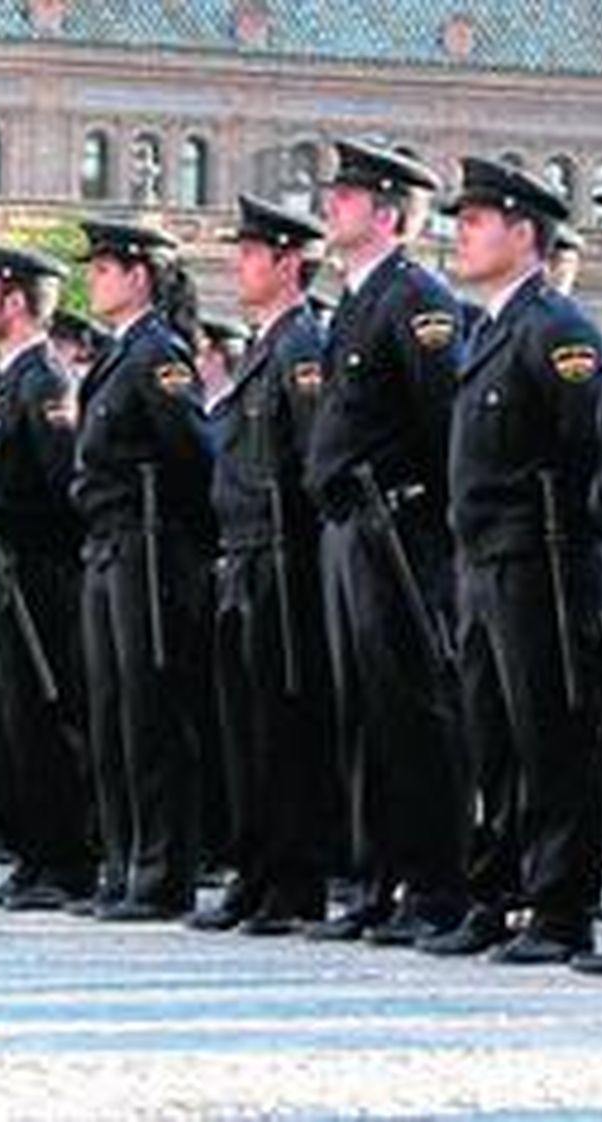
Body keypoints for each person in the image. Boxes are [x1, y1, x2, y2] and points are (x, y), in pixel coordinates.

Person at [415, 158, 602, 965]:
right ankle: (494, 895)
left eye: (477, 219)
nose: (460, 232)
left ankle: (558, 907)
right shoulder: (491, 328)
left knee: (550, 734)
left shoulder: (555, 328)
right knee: (490, 736)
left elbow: (585, 446)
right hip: (482, 560)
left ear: (523, 232)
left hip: (541, 561)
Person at [304, 138, 470, 946]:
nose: (330, 205)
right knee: (363, 713)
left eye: (347, 196)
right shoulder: (356, 302)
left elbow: (446, 429)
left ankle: (433, 887)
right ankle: (378, 882)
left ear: (387, 213)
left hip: (399, 529)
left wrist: (434, 532)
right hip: (350, 530)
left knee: (412, 712)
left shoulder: (416, 301)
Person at [193, 194, 332, 935]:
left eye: (250, 252)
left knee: (284, 725)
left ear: (287, 263)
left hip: (284, 555)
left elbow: (313, 459)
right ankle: (254, 871)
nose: (236, 265)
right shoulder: (266, 345)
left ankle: (291, 879)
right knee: (244, 725)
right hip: (243, 555)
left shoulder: (302, 346)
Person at [72, 221, 216, 921]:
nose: (94, 278)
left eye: (104, 267)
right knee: (111, 710)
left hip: (148, 547)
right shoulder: (119, 354)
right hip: (108, 546)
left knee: (151, 713)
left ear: (139, 276)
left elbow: (192, 455)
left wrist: (175, 541)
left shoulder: (158, 354)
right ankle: (125, 858)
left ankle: (161, 872)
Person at [0, 242, 96, 912]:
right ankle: (33, 856)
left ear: (15, 300)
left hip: (31, 576)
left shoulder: (45, 381)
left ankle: (61, 860)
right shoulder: (7, 379)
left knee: (40, 720)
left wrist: (29, 554)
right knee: (3, 721)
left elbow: (64, 486)